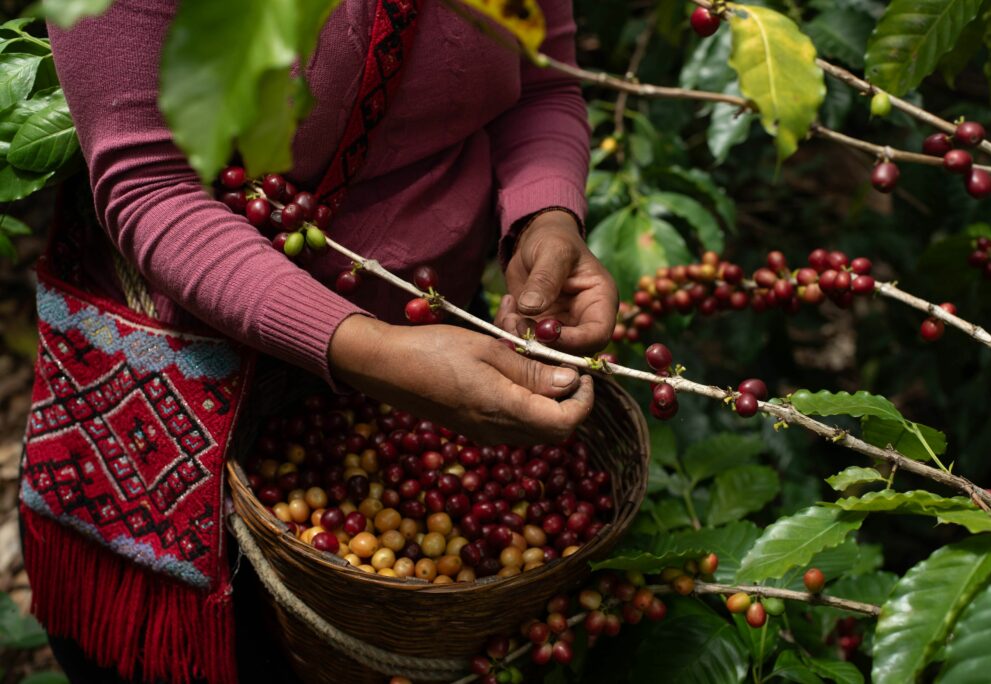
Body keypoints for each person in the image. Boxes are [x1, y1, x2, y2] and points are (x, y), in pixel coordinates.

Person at [22, 0, 616, 681]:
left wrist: (546, 216)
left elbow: (541, 84)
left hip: (438, 332)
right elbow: (150, 184)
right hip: (187, 375)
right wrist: (371, 350)